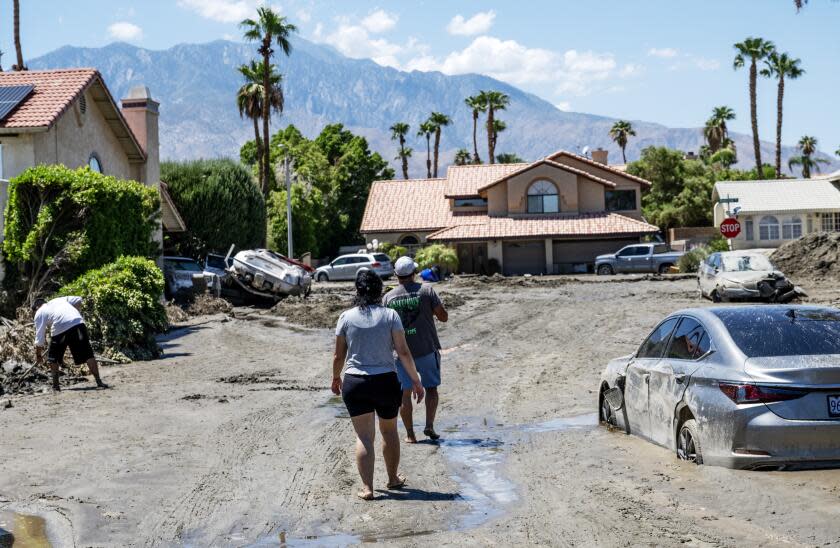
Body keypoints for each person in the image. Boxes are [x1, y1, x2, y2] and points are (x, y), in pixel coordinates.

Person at [332, 270, 425, 501]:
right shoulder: (390, 315)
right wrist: (416, 379)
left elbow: (338, 356)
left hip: (356, 382)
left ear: (357, 290)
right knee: (389, 431)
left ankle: (367, 488)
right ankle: (393, 479)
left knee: (364, 437)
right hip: (385, 380)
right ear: (379, 290)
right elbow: (403, 352)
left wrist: (336, 377)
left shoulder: (345, 317)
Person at [383, 256, 448, 443]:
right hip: (427, 349)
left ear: (396, 275)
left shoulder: (388, 297)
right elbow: (443, 317)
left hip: (401, 355)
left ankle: (410, 434)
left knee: (404, 393)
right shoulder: (427, 290)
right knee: (431, 389)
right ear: (414, 273)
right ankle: (429, 425)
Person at [33, 296, 108, 391]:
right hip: (78, 322)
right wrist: (72, 316)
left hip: (60, 327)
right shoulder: (59, 299)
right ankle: (99, 382)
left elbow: (39, 337)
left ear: (36, 308)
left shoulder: (39, 312)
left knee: (53, 358)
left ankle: (56, 387)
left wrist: (38, 355)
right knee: (88, 354)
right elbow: (78, 299)